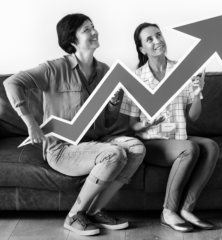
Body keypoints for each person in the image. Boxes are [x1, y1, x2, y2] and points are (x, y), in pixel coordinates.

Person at [3, 14, 146, 236]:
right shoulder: (53, 69)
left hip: (97, 142)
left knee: (136, 148)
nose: (94, 32)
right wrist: (30, 123)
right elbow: (12, 83)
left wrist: (114, 104)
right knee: (113, 154)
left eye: (93, 27)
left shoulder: (105, 71)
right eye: (86, 29)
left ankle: (96, 210)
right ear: (72, 40)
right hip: (63, 149)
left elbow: (108, 122)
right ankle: (74, 215)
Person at [120, 22, 219, 232]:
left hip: (179, 137)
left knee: (211, 146)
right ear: (142, 49)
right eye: (149, 39)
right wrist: (146, 123)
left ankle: (186, 209)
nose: (157, 41)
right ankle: (168, 211)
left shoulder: (183, 71)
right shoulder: (136, 79)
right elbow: (132, 126)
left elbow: (193, 116)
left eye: (158, 35)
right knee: (189, 148)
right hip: (153, 143)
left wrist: (196, 94)